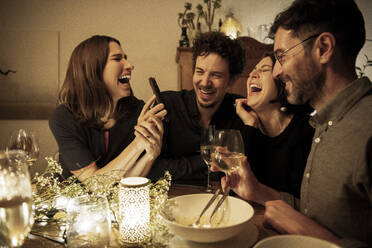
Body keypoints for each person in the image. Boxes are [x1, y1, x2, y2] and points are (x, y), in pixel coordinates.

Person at [212, 0, 372, 247]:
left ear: (324, 48)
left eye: (281, 56)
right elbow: (316, 213)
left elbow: (308, 224)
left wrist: (306, 230)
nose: (276, 72)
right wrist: (257, 191)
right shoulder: (323, 123)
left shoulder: (366, 127)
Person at [49, 35, 166, 182]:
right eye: (117, 59)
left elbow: (123, 181)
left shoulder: (136, 111)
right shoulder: (64, 117)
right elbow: (94, 183)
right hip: (70, 201)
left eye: (125, 58)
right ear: (93, 70)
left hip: (110, 201)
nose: (130, 65)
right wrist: (138, 143)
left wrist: (150, 155)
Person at [147, 32, 245, 185]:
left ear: (231, 80)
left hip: (221, 202)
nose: (205, 82)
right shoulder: (167, 104)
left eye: (216, 75)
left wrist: (180, 165)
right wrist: (211, 160)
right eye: (200, 72)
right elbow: (154, 169)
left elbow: (240, 169)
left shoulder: (240, 111)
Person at [236, 53, 314, 198]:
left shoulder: (307, 132)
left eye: (264, 69)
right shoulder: (247, 128)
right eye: (253, 69)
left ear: (282, 81)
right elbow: (237, 188)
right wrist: (250, 124)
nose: (252, 74)